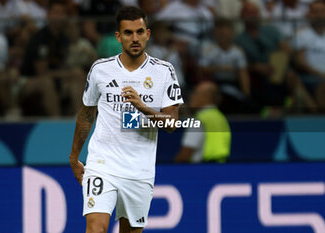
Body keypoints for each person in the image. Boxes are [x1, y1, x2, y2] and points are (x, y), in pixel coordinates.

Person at [69, 6, 183, 233]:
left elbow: (172, 123)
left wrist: (143, 107)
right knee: (96, 228)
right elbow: (87, 113)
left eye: (140, 32)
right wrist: (74, 156)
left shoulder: (164, 72)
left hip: (140, 171)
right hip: (103, 165)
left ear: (148, 34)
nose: (135, 38)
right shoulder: (101, 69)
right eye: (128, 33)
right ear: (118, 37)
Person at [199, 18, 251, 114]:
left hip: (232, 83)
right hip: (215, 83)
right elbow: (202, 69)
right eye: (220, 34)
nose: (223, 36)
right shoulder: (208, 50)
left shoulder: (238, 51)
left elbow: (243, 72)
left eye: (226, 33)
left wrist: (246, 94)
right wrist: (219, 69)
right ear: (215, 34)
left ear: (232, 33)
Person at [175, 81, 231, 163]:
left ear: (206, 97)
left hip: (201, 170)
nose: (191, 96)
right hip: (221, 168)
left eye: (195, 93)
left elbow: (186, 153)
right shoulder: (221, 117)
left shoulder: (199, 119)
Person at [292, 0, 325, 112]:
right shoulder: (302, 34)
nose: (319, 15)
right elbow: (300, 62)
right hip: (310, 77)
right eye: (315, 12)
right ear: (309, 14)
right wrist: (322, 74)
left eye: (322, 11)